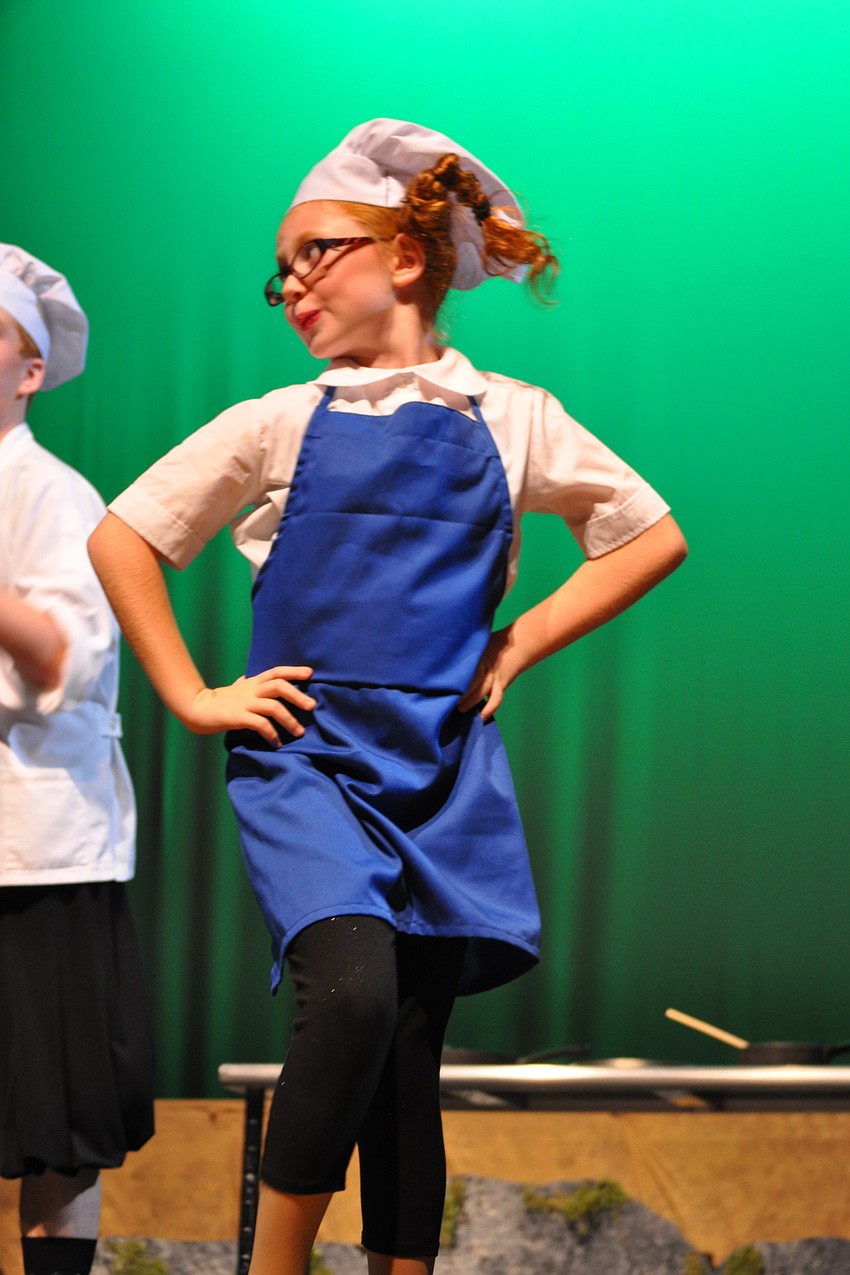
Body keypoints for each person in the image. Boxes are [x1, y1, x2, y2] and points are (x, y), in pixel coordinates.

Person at [88, 119, 687, 1275]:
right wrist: (192, 694)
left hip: (441, 761)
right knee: (352, 999)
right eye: (283, 270)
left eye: (315, 252)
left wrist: (518, 641)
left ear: (405, 257)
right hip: (308, 753)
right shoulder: (279, 421)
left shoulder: (511, 417)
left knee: (410, 1048)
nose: (291, 286)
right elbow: (126, 538)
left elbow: (647, 535)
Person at [0, 246, 155, 1275]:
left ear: (29, 370)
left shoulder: (59, 497)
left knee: (54, 1125)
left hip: (36, 853)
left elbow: (59, 654)